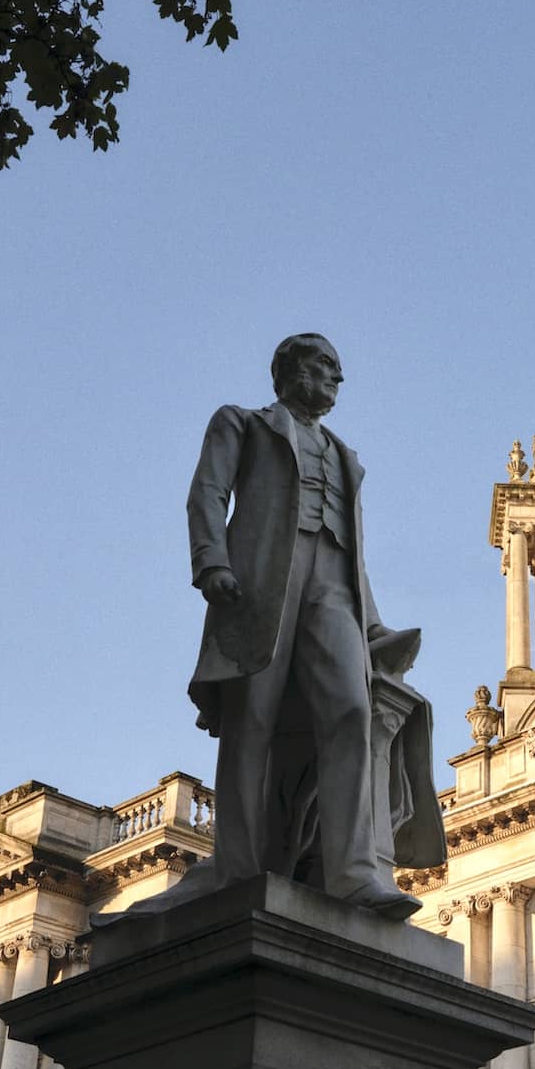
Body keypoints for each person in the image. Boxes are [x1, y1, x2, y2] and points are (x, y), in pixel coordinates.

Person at [121, 333, 440, 924]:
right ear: (289, 370)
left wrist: (371, 622)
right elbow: (208, 494)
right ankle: (238, 870)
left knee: (351, 710)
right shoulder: (243, 423)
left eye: (339, 370)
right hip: (263, 582)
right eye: (325, 364)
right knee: (252, 727)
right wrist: (211, 561)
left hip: (333, 590)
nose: (336, 378)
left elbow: (354, 550)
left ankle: (353, 874)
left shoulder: (346, 456)